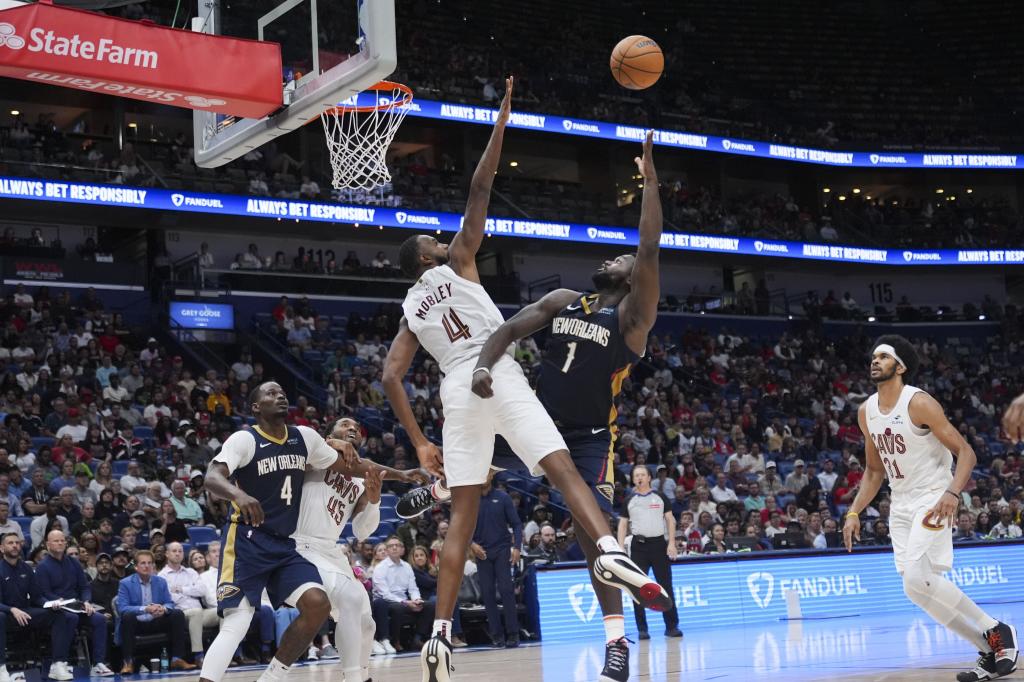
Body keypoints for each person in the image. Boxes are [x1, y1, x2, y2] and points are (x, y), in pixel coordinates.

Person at [385, 89, 670, 680]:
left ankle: (611, 640)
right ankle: (602, 549)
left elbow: (392, 374)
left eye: (623, 261)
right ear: (426, 256)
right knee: (550, 480)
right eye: (434, 241)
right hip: (519, 401)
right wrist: (488, 364)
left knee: (497, 499)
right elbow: (508, 322)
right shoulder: (561, 297)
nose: (618, 260)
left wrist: (651, 186)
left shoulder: (632, 316)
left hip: (573, 427)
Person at [843, 335, 1018, 682]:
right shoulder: (867, 412)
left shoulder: (919, 403)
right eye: (873, 356)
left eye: (883, 356)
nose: (874, 361)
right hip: (901, 501)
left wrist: (952, 494)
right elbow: (874, 471)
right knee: (913, 586)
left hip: (933, 496)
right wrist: (853, 512)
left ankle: (998, 631)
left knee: (916, 576)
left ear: (901, 367)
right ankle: (986, 650)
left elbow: (966, 452)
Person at [197, 381, 366, 682]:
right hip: (247, 540)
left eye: (282, 392)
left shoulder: (304, 437)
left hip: (284, 545)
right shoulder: (244, 440)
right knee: (238, 622)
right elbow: (212, 476)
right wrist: (239, 495)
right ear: (255, 407)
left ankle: (272, 677)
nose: (280, 396)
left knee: (317, 605)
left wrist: (399, 474)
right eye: (271, 394)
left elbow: (350, 468)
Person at [291, 417, 424, 682]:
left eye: (357, 429)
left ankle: (361, 676)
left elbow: (362, 531)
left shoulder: (364, 477)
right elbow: (304, 444)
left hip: (330, 551)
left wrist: (374, 501)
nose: (352, 429)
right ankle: (354, 679)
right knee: (351, 598)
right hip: (301, 545)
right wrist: (333, 442)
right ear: (331, 433)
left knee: (367, 622)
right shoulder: (320, 453)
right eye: (345, 425)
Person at [0, 532, 79, 682]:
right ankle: (1, 668)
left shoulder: (26, 568)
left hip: (25, 612)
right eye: (10, 543)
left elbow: (36, 597)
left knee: (58, 615)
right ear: (1, 548)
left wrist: (51, 604)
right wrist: (11, 609)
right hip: (6, 613)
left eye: (17, 542)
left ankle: (58, 664)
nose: (15, 545)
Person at [34, 530, 114, 677]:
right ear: (48, 544)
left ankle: (98, 663)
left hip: (76, 605)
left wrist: (87, 601)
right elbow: (43, 592)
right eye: (56, 540)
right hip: (56, 607)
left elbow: (84, 587)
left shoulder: (74, 563)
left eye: (62, 540)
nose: (60, 543)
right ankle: (59, 663)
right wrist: (56, 601)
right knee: (70, 618)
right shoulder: (42, 567)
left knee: (100, 619)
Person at [617, 464, 681, 641]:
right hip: (639, 547)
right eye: (636, 475)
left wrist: (672, 544)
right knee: (638, 588)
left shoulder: (660, 497)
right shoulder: (629, 500)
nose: (639, 478)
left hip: (659, 545)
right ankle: (642, 629)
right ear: (632, 479)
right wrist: (620, 547)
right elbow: (623, 524)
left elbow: (670, 520)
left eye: (642, 475)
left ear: (649, 477)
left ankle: (672, 626)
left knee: (665, 587)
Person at [115, 549, 194, 672]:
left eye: (150, 563)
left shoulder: (160, 582)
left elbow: (170, 603)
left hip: (156, 620)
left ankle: (176, 659)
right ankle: (128, 662)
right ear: (136, 566)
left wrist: (163, 609)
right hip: (137, 623)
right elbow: (122, 608)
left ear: (153, 566)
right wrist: (145, 608)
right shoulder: (125, 583)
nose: (147, 566)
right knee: (127, 617)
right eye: (143, 563)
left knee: (177, 614)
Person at [470, 471, 523, 648]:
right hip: (482, 552)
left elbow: (516, 524)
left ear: (491, 476)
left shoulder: (503, 497)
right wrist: (471, 544)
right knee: (487, 593)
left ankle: (513, 634)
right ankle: (496, 635)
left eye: (485, 474)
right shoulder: (470, 499)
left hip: (502, 549)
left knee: (507, 590)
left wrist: (517, 547)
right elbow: (460, 525)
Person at [372, 536, 435, 651]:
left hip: (405, 600)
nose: (395, 548)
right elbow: (385, 594)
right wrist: (406, 602)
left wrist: (416, 600)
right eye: (391, 546)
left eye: (398, 545)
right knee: (398, 608)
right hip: (386, 602)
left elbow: (413, 589)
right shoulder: (380, 568)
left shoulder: (407, 566)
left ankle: (417, 638)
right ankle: (395, 640)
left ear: (403, 550)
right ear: (387, 550)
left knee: (429, 605)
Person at [159, 542, 217, 665]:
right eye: (174, 551)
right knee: (195, 613)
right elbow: (170, 598)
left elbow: (202, 590)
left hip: (201, 612)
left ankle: (229, 653)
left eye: (180, 551)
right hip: (181, 615)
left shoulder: (191, 572)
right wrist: (192, 590)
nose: (177, 553)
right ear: (167, 554)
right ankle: (199, 656)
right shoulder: (162, 576)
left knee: (224, 611)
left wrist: (182, 590)